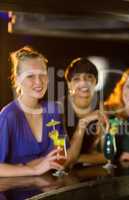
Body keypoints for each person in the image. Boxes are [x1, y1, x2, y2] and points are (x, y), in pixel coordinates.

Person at [0, 47, 82, 177]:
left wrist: (83, 123)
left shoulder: (54, 110)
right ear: (17, 80)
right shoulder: (8, 116)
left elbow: (66, 158)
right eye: (30, 76)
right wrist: (34, 169)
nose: (38, 81)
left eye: (42, 74)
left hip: (51, 190)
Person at [63, 57, 107, 166]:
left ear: (95, 82)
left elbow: (106, 156)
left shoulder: (99, 107)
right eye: (77, 79)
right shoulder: (59, 109)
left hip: (87, 174)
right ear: (69, 84)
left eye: (89, 78)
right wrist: (83, 123)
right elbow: (65, 161)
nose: (83, 83)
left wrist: (76, 158)